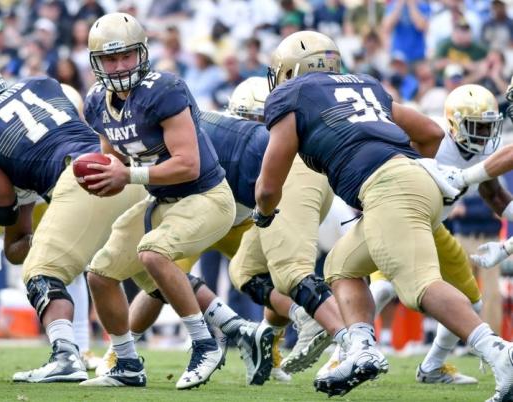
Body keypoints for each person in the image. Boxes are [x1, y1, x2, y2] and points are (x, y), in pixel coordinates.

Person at [256, 30, 513, 401]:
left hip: (388, 186)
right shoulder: (365, 83)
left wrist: (264, 214)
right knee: (342, 266)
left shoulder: (292, 94)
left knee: (419, 285)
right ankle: (361, 348)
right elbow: (428, 132)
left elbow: (267, 188)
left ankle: (500, 353)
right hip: (409, 179)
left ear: (292, 70)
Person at [101, 77, 347, 384]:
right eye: (254, 121)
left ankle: (309, 344)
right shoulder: (207, 132)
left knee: (277, 276)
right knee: (172, 273)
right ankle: (121, 350)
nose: (260, 129)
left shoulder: (242, 140)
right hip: (213, 205)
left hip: (245, 209)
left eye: (263, 123)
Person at [0, 57, 148, 383]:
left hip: (78, 181)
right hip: (121, 172)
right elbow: (16, 242)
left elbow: (3, 208)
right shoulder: (42, 83)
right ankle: (135, 361)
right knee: (135, 272)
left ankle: (66, 355)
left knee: (41, 272)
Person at [79, 13, 235, 390]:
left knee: (152, 252)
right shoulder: (97, 102)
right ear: (96, 62)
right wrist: (101, 177)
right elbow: (112, 162)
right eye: (110, 60)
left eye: (126, 57)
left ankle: (204, 341)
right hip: (162, 200)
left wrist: (127, 175)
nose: (118, 67)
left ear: (142, 54)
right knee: (100, 274)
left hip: (206, 196)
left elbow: (188, 163)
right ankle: (126, 363)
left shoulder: (165, 90)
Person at [370, 84, 507, 385]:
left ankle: (432, 367)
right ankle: (346, 353)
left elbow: (496, 197)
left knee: (471, 302)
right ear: (456, 123)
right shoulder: (432, 139)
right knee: (381, 289)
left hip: (432, 225)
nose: (484, 135)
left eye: (488, 127)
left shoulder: (482, 153)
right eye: (477, 127)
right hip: (396, 217)